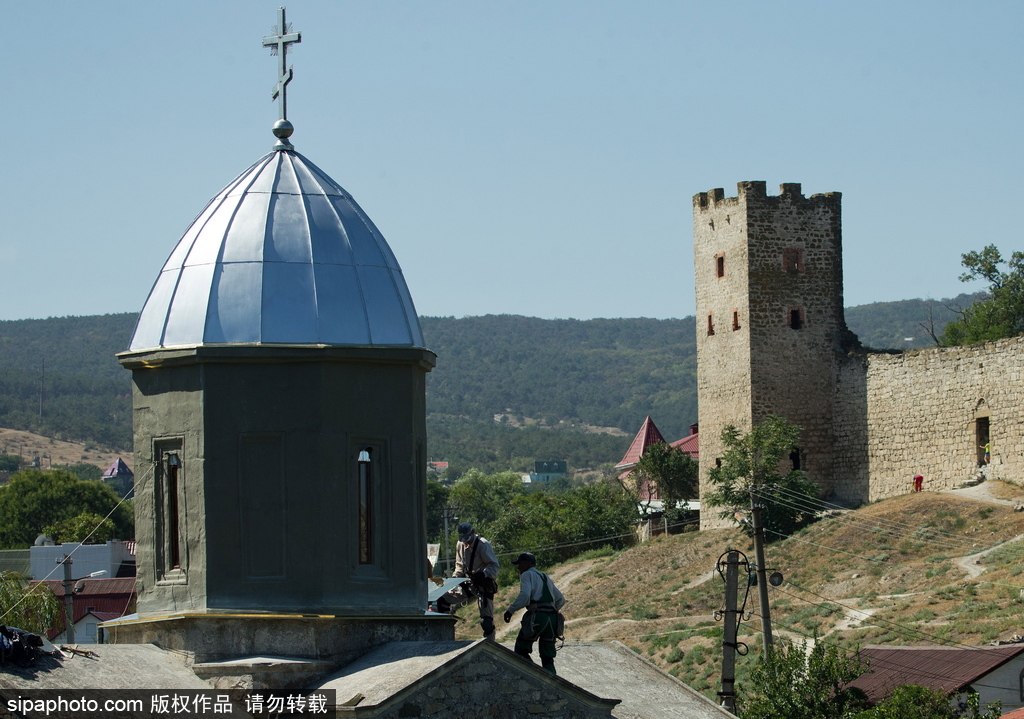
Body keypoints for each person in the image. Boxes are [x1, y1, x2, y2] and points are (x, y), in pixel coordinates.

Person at [502, 552, 565, 675]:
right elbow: (561, 599)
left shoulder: (527, 575)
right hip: (552, 618)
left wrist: (511, 610)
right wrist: (552, 609)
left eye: (519, 564)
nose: (518, 568)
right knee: (547, 657)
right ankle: (551, 683)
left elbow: (525, 595)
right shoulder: (545, 576)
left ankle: (534, 676)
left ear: (526, 564)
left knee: (520, 650)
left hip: (537, 616)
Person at [436, 522, 499, 640]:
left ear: (473, 532)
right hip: (468, 583)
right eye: (463, 539)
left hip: (483, 584)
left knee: (486, 622)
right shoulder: (460, 544)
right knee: (442, 600)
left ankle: (490, 644)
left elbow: (495, 566)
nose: (466, 542)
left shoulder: (483, 544)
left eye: (467, 539)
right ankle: (445, 636)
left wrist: (484, 573)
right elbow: (459, 565)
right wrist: (455, 578)